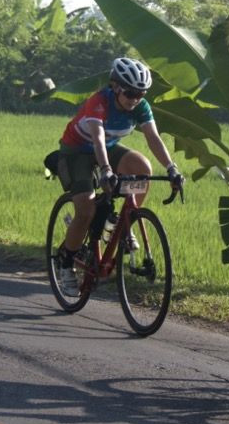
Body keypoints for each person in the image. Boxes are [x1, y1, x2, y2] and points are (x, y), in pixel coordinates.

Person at [53, 56, 184, 292]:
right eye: (131, 93)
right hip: (77, 151)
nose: (135, 99)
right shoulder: (99, 101)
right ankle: (66, 263)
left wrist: (171, 168)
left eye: (141, 94)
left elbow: (153, 138)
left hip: (109, 148)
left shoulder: (141, 107)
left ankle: (122, 224)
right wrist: (106, 170)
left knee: (143, 170)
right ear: (115, 87)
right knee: (86, 209)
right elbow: (97, 138)